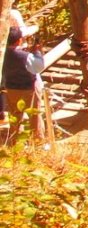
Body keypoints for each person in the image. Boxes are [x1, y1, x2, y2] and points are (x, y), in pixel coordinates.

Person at [3, 10, 45, 142]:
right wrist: (37, 52)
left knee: (14, 116)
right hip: (28, 89)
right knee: (34, 116)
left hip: (11, 88)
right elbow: (39, 66)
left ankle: (14, 140)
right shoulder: (25, 56)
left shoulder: (3, 55)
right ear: (19, 40)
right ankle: (37, 141)